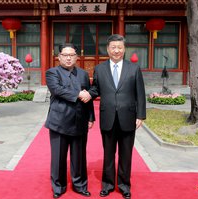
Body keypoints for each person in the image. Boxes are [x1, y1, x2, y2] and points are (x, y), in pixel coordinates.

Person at [80, 34, 146, 199]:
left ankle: (124, 186)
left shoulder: (134, 68)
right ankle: (107, 185)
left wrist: (141, 115)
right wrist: (87, 94)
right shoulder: (100, 69)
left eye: (120, 47)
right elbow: (96, 89)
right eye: (113, 47)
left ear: (124, 49)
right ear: (108, 49)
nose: (116, 50)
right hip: (107, 117)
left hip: (128, 117)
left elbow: (140, 93)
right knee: (108, 153)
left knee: (126, 154)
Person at [45, 43, 95, 198]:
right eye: (65, 55)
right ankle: (58, 187)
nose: (68, 58)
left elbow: (88, 97)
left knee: (79, 156)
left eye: (71, 55)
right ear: (59, 57)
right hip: (59, 121)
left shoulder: (83, 74)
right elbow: (58, 90)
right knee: (58, 157)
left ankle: (80, 185)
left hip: (80, 120)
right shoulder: (52, 73)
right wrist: (79, 94)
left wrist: (91, 117)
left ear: (77, 57)